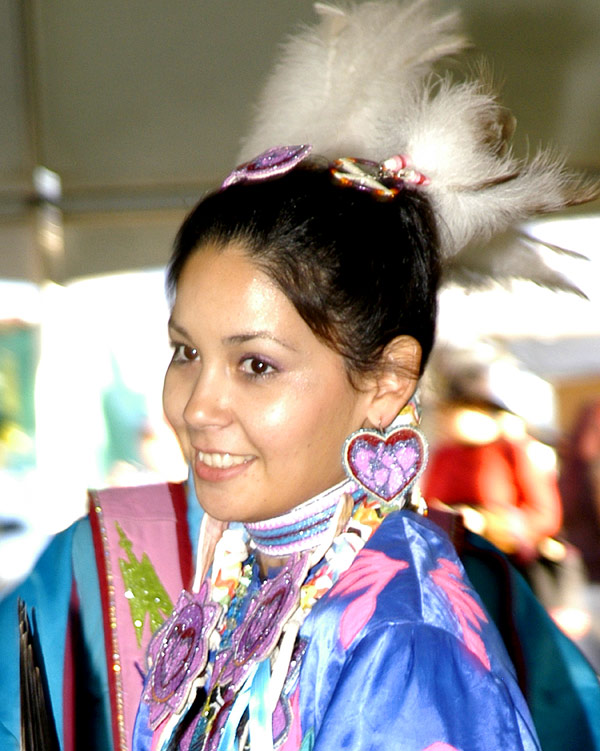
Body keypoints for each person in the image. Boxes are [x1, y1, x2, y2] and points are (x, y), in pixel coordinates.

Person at [1, 2, 598, 750]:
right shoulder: (251, 576)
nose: (197, 406)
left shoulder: (405, 643)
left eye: (256, 365)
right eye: (186, 352)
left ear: (385, 380)